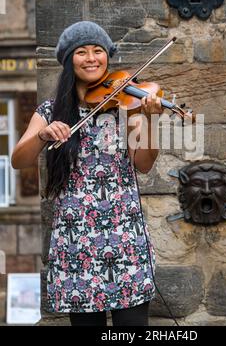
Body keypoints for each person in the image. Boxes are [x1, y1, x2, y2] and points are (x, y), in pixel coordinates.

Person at [11, 21, 163, 326]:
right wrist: (42, 136)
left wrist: (151, 122)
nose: (92, 58)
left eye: (98, 51)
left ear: (107, 56)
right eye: (82, 52)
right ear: (69, 60)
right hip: (75, 240)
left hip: (124, 237)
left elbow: (144, 163)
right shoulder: (50, 111)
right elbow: (18, 159)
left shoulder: (126, 107)